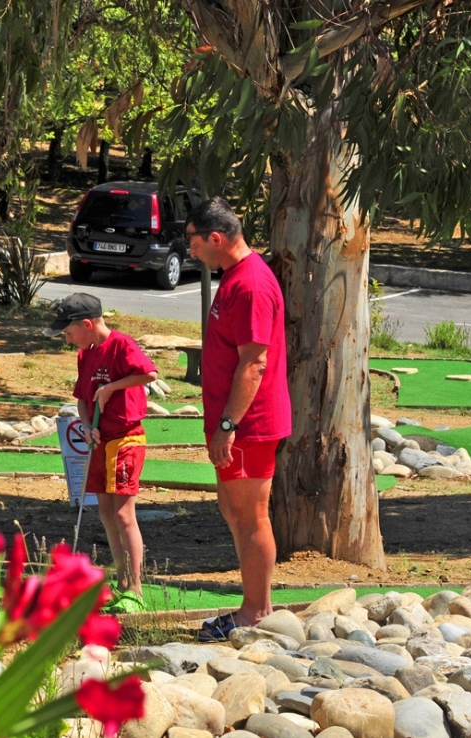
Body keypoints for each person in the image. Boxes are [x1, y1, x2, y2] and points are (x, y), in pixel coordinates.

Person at [185, 197, 291, 641]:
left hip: (249, 425)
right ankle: (253, 606)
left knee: (251, 515)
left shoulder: (249, 284)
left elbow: (254, 363)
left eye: (192, 243)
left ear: (215, 238)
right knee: (233, 509)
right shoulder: (234, 279)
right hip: (233, 424)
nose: (189, 252)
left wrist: (227, 426)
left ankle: (256, 612)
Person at [44, 293, 158, 612]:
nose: (66, 340)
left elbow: (149, 374)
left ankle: (136, 589)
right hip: (100, 439)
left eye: (68, 333)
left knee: (123, 514)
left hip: (126, 439)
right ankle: (122, 583)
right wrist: (85, 424)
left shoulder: (121, 345)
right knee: (106, 513)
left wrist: (111, 387)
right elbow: (83, 398)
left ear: (87, 324)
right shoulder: (86, 355)